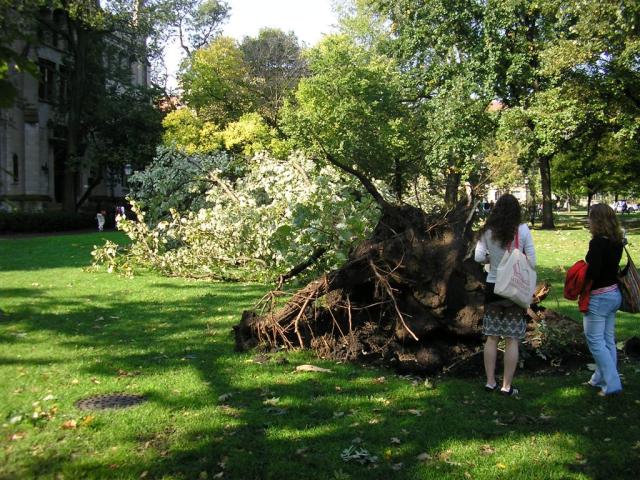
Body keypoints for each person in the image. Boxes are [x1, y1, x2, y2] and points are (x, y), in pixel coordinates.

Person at [474, 193, 536, 396]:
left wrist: (493, 259)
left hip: (493, 287)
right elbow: (533, 262)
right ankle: (506, 386)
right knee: (512, 339)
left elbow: (478, 257)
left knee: (491, 337)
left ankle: (490, 381)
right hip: (514, 289)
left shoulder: (488, 231)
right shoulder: (523, 230)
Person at [582, 203, 624, 396]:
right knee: (607, 340)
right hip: (614, 293)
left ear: (597, 221)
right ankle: (600, 378)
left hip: (599, 296)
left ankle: (612, 382)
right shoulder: (617, 241)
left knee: (596, 341)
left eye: (591, 218)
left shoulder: (598, 243)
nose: (588, 221)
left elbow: (593, 271)